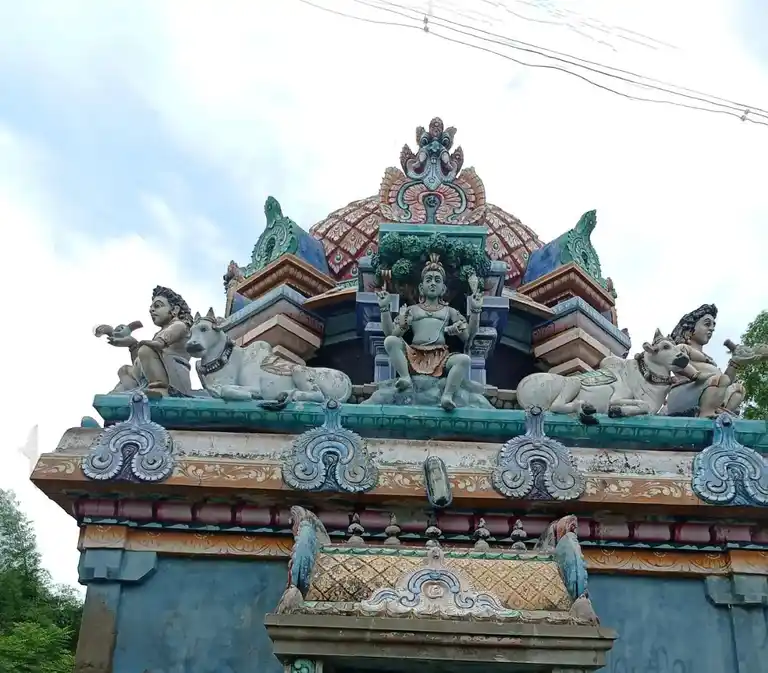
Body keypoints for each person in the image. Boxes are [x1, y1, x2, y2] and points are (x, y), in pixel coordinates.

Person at [375, 254, 483, 411]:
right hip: (414, 353)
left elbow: (467, 336)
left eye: (437, 280)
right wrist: (385, 308)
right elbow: (390, 334)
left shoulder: (449, 312)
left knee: (464, 360)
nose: (433, 283)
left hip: (441, 356)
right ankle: (405, 377)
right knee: (391, 342)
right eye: (428, 280)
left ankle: (447, 395)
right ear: (421, 287)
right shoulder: (412, 310)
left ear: (443, 289)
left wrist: (475, 310)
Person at [108, 285, 194, 398]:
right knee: (124, 370)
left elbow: (157, 345)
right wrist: (132, 345)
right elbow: (144, 362)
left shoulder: (180, 326)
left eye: (158, 306)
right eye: (151, 307)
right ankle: (123, 395)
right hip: (150, 380)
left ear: (175, 310)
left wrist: (144, 345)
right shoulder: (159, 333)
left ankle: (160, 388)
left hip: (173, 380)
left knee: (146, 349)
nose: (152, 310)